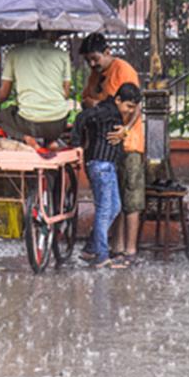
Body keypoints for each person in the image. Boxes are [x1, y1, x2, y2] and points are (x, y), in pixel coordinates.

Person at [79, 33, 145, 266]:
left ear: (107, 51)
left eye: (95, 58)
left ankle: (130, 250)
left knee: (130, 197)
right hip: (105, 147)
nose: (92, 64)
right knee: (111, 201)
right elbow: (86, 98)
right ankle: (113, 248)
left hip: (128, 144)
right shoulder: (96, 74)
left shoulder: (124, 70)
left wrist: (125, 129)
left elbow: (136, 106)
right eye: (88, 61)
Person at [71, 84, 140, 268]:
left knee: (115, 207)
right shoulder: (106, 111)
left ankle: (90, 249)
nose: (130, 111)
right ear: (118, 100)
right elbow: (81, 117)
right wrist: (76, 144)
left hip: (107, 166)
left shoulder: (113, 111)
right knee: (104, 211)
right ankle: (101, 256)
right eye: (129, 106)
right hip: (100, 165)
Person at [0, 33, 71, 148]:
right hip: (58, 124)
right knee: (51, 115)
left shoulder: (15, 53)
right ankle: (51, 141)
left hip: (30, 125)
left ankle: (27, 138)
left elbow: (3, 95)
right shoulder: (62, 54)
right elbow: (65, 94)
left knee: (1, 118)